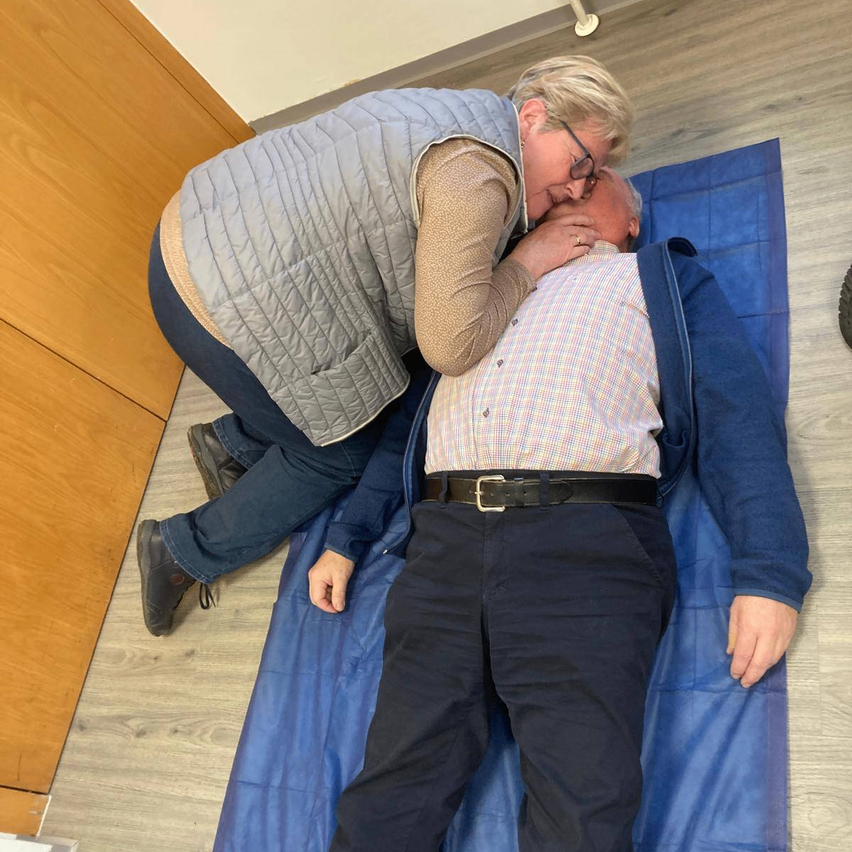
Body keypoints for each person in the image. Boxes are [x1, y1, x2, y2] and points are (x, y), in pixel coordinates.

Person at [308, 169, 811, 852]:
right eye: (565, 178)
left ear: (632, 220)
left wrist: (770, 570)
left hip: (587, 545)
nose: (575, 183)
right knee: (389, 795)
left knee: (582, 811)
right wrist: (348, 534)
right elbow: (408, 428)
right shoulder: (478, 292)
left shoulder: (659, 277)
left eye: (597, 176)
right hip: (443, 545)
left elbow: (738, 414)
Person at [137, 55, 635, 637]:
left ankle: (230, 444)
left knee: (378, 366)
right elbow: (451, 348)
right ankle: (181, 551)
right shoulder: (476, 177)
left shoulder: (470, 113)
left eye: (592, 177)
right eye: (579, 164)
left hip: (200, 225)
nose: (576, 186)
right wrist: (529, 261)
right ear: (532, 116)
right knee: (338, 455)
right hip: (214, 298)